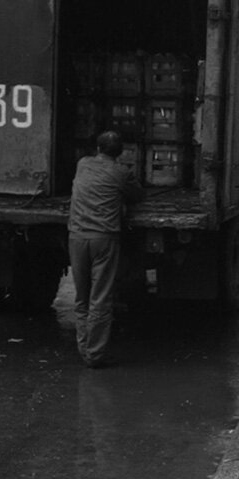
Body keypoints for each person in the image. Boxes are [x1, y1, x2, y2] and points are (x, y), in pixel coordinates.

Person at [67, 130, 145, 368]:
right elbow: (137, 195)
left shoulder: (83, 165)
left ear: (97, 149)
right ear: (120, 153)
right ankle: (95, 354)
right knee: (100, 297)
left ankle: (84, 348)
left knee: (82, 296)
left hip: (77, 236)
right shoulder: (121, 172)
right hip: (104, 238)